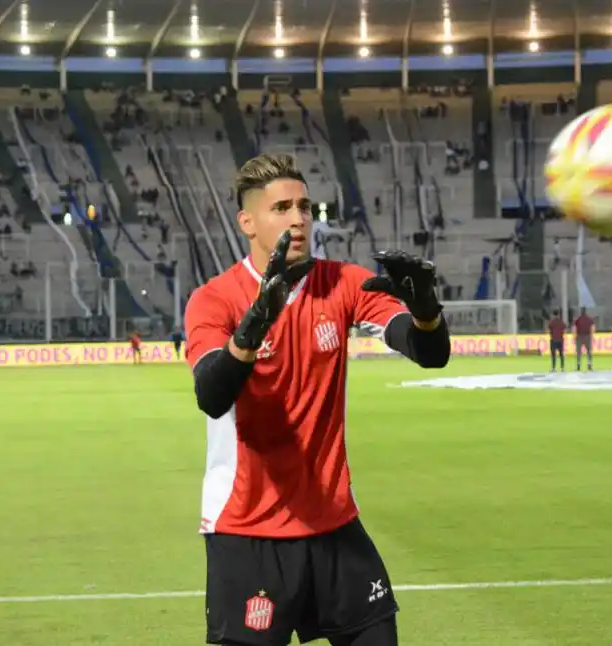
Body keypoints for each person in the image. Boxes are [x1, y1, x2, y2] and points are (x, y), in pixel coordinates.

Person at [184, 153, 450, 646]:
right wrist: (253, 326)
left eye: (305, 206)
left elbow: (428, 354)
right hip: (248, 528)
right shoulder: (215, 298)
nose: (298, 218)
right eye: (281, 207)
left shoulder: (343, 283)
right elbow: (211, 394)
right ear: (248, 222)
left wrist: (427, 314)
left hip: (333, 523)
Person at [573, 307, 594, 372]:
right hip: (587, 336)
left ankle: (579, 364)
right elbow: (592, 327)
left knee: (579, 351)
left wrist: (574, 336)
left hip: (579, 336)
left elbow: (574, 328)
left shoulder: (578, 319)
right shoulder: (589, 319)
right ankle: (589, 364)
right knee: (589, 351)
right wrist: (591, 335)